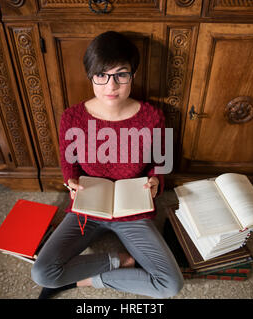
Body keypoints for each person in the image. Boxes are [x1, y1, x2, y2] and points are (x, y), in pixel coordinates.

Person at [31, 31, 184, 299]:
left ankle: (84, 280)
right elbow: (69, 161)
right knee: (42, 273)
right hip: (88, 209)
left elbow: (162, 162)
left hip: (132, 211)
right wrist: (72, 182)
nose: (110, 86)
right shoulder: (72, 116)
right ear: (90, 76)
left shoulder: (152, 116)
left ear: (132, 75)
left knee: (171, 284)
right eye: (101, 75)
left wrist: (156, 180)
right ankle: (118, 260)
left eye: (120, 75)